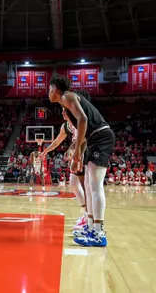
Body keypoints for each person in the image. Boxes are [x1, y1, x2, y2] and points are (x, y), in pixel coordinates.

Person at [49, 74, 115, 247]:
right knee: (87, 184)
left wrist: (77, 150)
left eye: (49, 89)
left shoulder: (67, 96)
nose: (48, 93)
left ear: (55, 89)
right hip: (94, 139)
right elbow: (82, 128)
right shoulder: (65, 104)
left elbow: (84, 120)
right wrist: (78, 150)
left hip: (101, 137)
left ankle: (99, 233)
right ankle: (91, 226)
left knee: (95, 186)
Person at [39, 106, 87, 230]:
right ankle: (86, 214)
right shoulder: (66, 126)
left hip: (86, 150)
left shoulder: (78, 120)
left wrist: (74, 150)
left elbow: (84, 139)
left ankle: (89, 218)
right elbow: (57, 141)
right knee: (74, 184)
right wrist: (45, 151)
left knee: (85, 186)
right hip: (78, 152)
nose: (62, 113)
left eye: (64, 110)